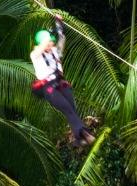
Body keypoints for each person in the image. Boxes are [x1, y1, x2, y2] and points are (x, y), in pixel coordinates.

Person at [30, 13, 95, 150]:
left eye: (51, 42)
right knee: (67, 109)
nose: (51, 44)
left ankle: (80, 139)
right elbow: (41, 47)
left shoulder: (54, 50)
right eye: (48, 42)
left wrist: (58, 23)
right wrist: (46, 38)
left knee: (72, 109)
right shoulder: (35, 55)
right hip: (49, 88)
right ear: (42, 42)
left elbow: (61, 38)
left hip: (61, 83)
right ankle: (85, 133)